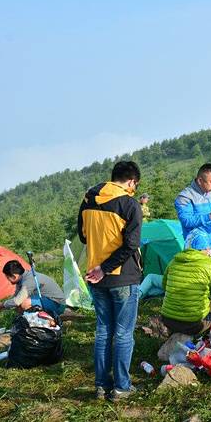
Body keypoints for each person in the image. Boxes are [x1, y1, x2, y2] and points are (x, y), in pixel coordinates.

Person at [78, 160, 143, 401]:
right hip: (122, 276)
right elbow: (131, 245)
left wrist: (99, 266)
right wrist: (105, 268)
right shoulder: (129, 204)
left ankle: (101, 386)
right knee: (124, 333)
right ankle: (121, 387)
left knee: (103, 331)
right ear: (131, 181)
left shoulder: (89, 199)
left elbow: (83, 236)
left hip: (94, 275)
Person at [175, 163, 211, 298]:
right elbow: (186, 221)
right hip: (199, 249)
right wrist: (209, 216)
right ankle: (207, 309)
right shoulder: (184, 197)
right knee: (205, 284)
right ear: (200, 180)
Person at [161, 229, 211, 335]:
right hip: (193, 325)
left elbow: (164, 286)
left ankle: (174, 333)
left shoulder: (173, 262)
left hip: (168, 320)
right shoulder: (210, 265)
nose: (209, 249)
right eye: (207, 247)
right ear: (204, 248)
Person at [0, 260, 66, 316]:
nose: (8, 280)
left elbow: (17, 301)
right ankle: (25, 323)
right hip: (47, 300)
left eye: (8, 277)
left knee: (24, 303)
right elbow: (16, 297)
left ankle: (38, 324)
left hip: (57, 304)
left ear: (14, 276)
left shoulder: (29, 280)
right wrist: (3, 306)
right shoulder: (21, 279)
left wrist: (2, 304)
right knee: (18, 305)